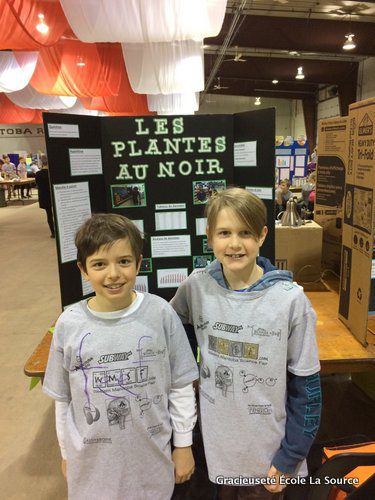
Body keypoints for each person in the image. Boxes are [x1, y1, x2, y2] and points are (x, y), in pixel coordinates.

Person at [170, 188, 321, 499]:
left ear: (263, 235)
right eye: (225, 233)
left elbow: (307, 388)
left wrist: (290, 456)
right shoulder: (195, 288)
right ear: (209, 236)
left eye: (245, 233)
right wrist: (190, 369)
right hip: (213, 453)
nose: (235, 243)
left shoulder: (290, 301)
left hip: (266, 459)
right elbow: (174, 327)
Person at [43, 213, 199, 500]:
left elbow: (180, 385)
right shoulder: (69, 323)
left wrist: (184, 444)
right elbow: (63, 401)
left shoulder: (161, 314)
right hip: (91, 467)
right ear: (83, 269)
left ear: (139, 263)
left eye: (124, 261)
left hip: (151, 462)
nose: (113, 274)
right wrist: (66, 453)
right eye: (99, 264)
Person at [35, 156, 55, 238]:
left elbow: (37, 185)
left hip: (45, 197)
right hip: (53, 196)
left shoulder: (38, 174)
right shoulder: (52, 174)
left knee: (49, 214)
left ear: (42, 164)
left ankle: (53, 232)